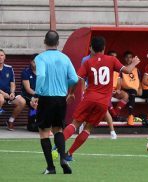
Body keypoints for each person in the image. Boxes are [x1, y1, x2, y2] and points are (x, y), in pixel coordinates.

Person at [62, 37, 140, 161]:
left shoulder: (87, 62)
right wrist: (134, 63)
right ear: (104, 48)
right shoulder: (112, 60)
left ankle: (56, 147)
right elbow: (128, 70)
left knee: (75, 123)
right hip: (103, 102)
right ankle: (69, 154)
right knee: (88, 128)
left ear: (91, 48)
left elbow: (77, 79)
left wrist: (71, 93)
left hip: (89, 98)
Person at [31, 30, 77, 174]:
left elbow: (42, 75)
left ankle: (51, 167)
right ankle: (63, 157)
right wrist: (65, 85)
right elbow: (75, 78)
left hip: (46, 98)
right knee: (58, 129)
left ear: (44, 42)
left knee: (44, 132)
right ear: (58, 43)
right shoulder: (65, 58)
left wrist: (37, 93)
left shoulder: (41, 58)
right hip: (61, 99)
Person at [0, 49, 26, 131]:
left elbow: (12, 83)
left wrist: (12, 92)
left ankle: (10, 121)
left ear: (5, 57)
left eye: (1, 55)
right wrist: (3, 93)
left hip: (8, 93)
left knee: (22, 102)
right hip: (1, 94)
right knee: (0, 99)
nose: (0, 57)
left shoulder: (9, 68)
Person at [119, 51, 143, 126]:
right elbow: (119, 81)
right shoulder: (121, 68)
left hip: (135, 90)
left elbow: (139, 81)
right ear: (124, 58)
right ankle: (130, 116)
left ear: (133, 59)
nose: (128, 59)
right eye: (127, 57)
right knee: (132, 93)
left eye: (130, 57)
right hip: (126, 88)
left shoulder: (137, 70)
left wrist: (140, 89)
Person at [21, 53, 38, 131]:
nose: (36, 63)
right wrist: (37, 95)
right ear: (31, 62)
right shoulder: (26, 72)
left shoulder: (43, 72)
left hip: (39, 94)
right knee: (34, 103)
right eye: (34, 61)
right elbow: (28, 89)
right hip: (27, 95)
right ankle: (31, 124)